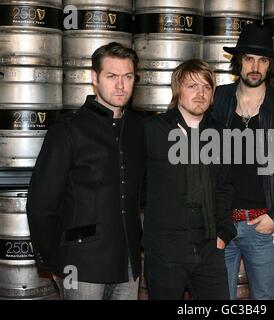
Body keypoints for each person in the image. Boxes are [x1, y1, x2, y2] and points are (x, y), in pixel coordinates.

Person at [26, 42, 144, 300]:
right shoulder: (68, 130)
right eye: (112, 76)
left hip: (128, 262)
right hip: (80, 264)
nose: (121, 85)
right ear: (94, 78)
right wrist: (53, 262)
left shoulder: (137, 128)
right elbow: (41, 204)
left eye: (127, 76)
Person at [212, 23, 274, 300]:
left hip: (262, 225)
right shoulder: (217, 100)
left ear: (270, 66)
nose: (255, 66)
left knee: (264, 299)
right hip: (220, 223)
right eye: (249, 58)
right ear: (238, 61)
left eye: (263, 60)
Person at [142, 59, 236, 300]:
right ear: (177, 90)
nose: (200, 94)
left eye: (206, 87)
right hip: (165, 250)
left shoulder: (221, 134)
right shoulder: (153, 130)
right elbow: (136, 186)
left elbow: (225, 186)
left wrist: (224, 232)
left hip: (209, 247)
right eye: (192, 86)